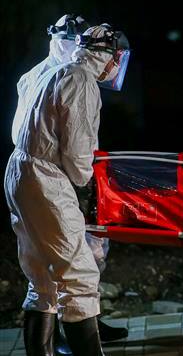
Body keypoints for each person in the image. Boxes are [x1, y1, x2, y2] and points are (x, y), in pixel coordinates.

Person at [5, 22, 131, 355]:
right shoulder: (81, 81)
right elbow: (77, 152)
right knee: (80, 275)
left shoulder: (54, 72)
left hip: (21, 171)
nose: (116, 67)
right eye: (117, 59)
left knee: (42, 276)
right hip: (46, 179)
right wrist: (85, 182)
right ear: (106, 55)